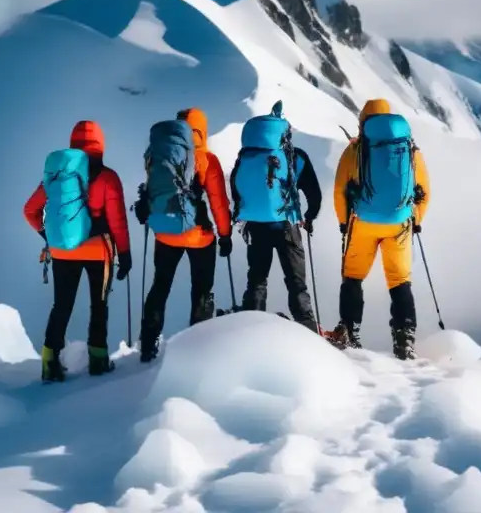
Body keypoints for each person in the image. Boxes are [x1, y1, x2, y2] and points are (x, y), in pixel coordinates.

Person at [24, 120, 132, 382]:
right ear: (101, 143)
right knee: (99, 305)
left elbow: (30, 210)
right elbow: (117, 220)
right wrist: (125, 254)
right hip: (99, 250)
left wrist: (47, 235)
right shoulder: (108, 176)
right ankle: (98, 360)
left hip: (63, 250)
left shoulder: (59, 174)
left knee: (61, 305)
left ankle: (49, 362)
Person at [331, 99, 430, 359]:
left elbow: (340, 190)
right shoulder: (409, 149)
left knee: (352, 277)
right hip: (399, 224)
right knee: (399, 281)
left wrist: (344, 222)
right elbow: (424, 191)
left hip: (362, 222)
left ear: (364, 121)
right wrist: (415, 219)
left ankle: (350, 332)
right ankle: (405, 339)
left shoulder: (355, 150)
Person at [134, 107, 232, 362]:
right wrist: (225, 234)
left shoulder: (161, 151)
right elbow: (218, 202)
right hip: (199, 235)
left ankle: (147, 344)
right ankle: (196, 347)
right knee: (201, 290)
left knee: (160, 286)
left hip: (165, 233)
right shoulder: (207, 160)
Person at [230, 101, 323, 331]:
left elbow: (235, 187)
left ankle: (251, 324)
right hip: (286, 225)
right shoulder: (295, 157)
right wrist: (309, 217)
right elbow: (314, 193)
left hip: (256, 225)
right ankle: (307, 326)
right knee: (296, 282)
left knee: (257, 279)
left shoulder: (246, 156)